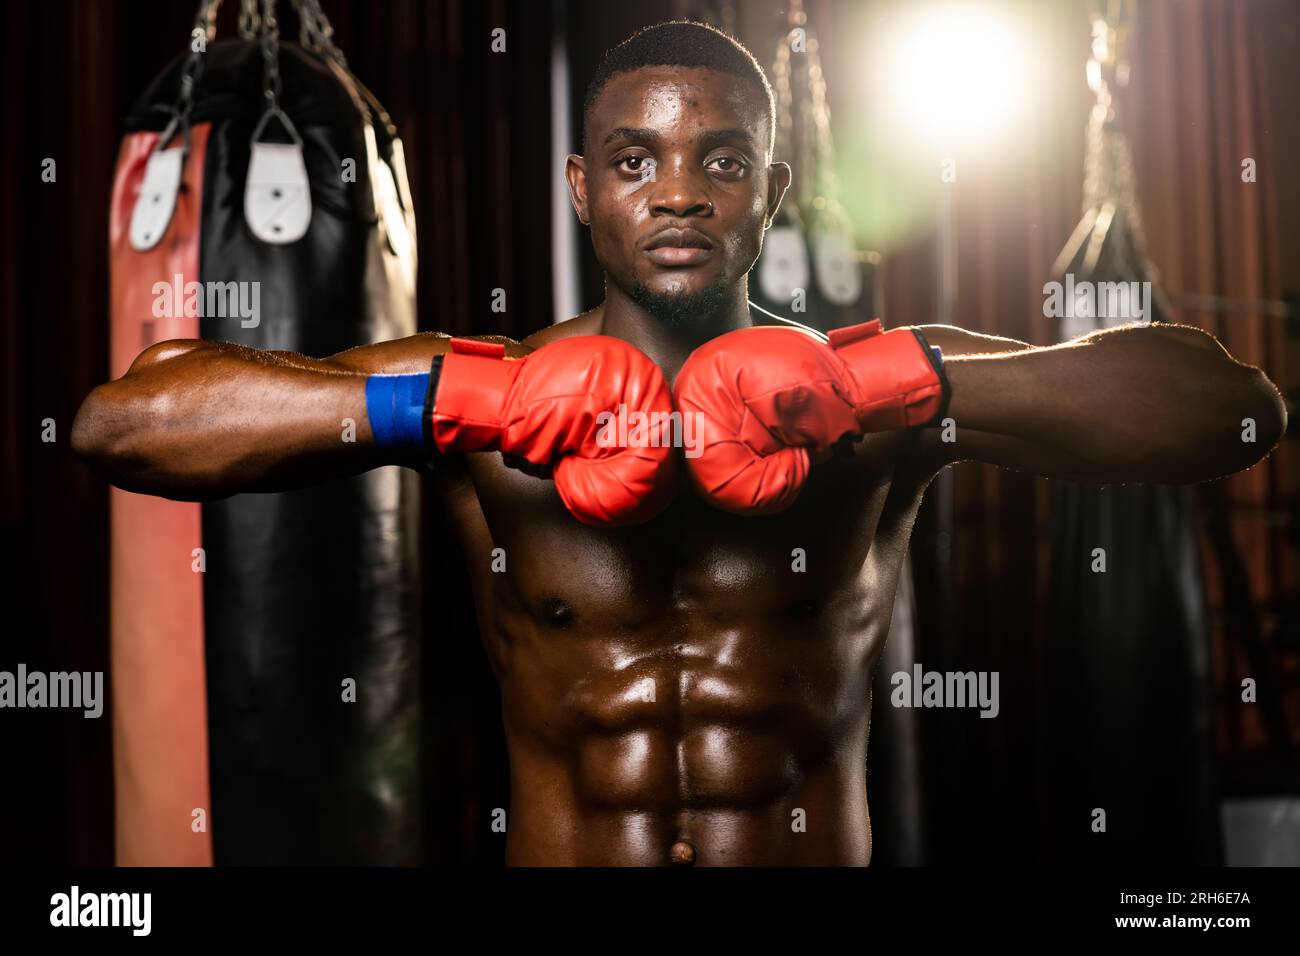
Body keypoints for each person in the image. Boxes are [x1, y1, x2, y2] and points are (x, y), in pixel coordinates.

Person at [73, 20, 1286, 865]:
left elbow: (1230, 408)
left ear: (772, 188)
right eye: (634, 160)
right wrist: (446, 404)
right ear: (580, 186)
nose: (679, 192)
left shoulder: (881, 401)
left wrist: (879, 381)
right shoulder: (469, 395)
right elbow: (125, 422)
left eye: (720, 161)